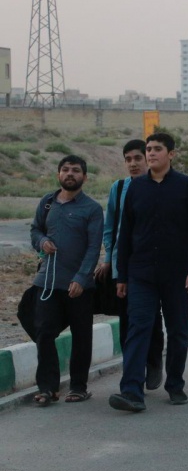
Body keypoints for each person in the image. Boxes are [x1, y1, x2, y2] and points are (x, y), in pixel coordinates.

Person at [109, 132, 188, 412]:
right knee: (138, 328)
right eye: (149, 149)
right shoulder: (136, 189)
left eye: (157, 149)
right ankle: (131, 391)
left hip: (177, 274)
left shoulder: (187, 187)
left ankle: (175, 384)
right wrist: (122, 276)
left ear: (171, 154)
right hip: (141, 274)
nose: (151, 154)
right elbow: (126, 234)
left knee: (177, 330)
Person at [29, 156, 103, 406]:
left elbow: (94, 248)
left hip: (79, 287)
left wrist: (81, 278)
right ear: (59, 174)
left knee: (81, 337)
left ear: (85, 177)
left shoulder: (92, 209)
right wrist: (41, 242)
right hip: (48, 284)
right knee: (44, 334)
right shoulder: (47, 203)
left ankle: (78, 387)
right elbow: (35, 230)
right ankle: (48, 389)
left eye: (75, 170)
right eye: (65, 170)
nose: (70, 174)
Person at [94, 139, 165, 390]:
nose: (133, 164)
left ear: (147, 160)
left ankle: (154, 362)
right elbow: (111, 227)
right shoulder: (119, 187)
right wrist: (107, 260)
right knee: (127, 319)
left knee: (151, 318)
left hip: (150, 266)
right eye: (128, 159)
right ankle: (132, 370)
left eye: (137, 158)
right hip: (122, 266)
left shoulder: (160, 186)